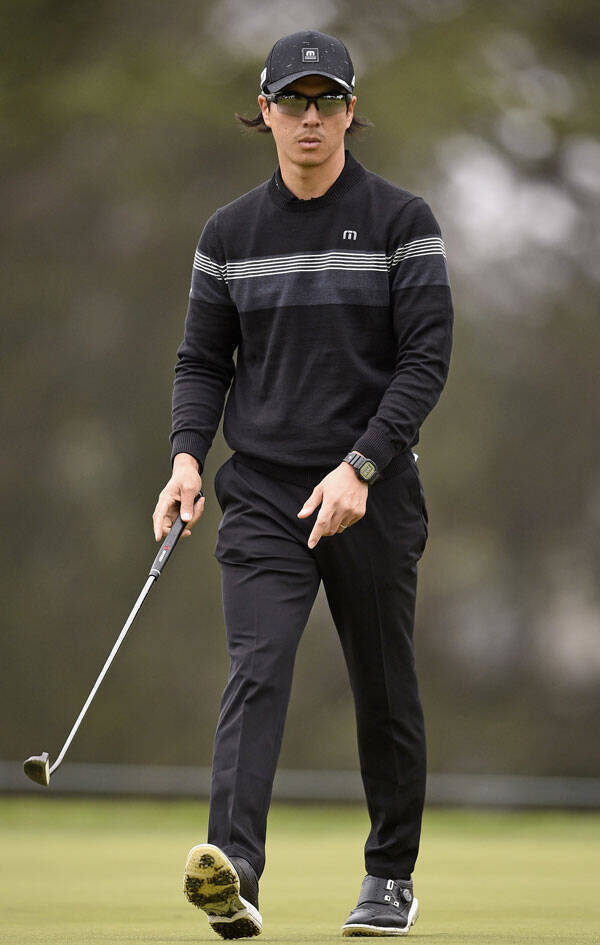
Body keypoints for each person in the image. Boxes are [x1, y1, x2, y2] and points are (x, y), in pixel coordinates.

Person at [152, 29, 453, 939]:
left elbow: (426, 360)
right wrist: (186, 458)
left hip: (374, 492)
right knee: (257, 669)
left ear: (351, 112)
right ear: (267, 111)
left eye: (327, 101)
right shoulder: (229, 233)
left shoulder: (403, 221)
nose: (310, 117)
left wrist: (362, 464)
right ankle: (233, 871)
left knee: (384, 686)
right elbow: (202, 361)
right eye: (293, 100)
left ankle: (389, 876)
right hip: (264, 493)